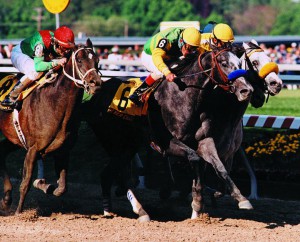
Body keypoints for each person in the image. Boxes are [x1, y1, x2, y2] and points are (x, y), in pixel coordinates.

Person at [1, 26, 75, 108]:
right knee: (35, 73)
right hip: (20, 54)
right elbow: (38, 66)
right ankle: (11, 96)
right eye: (65, 48)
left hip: (35, 56)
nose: (67, 51)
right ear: (57, 44)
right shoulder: (41, 44)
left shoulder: (58, 41)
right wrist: (56, 62)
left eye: (69, 48)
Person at [129, 27, 201, 105]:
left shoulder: (193, 38)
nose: (188, 52)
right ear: (181, 40)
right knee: (161, 72)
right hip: (151, 54)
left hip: (167, 55)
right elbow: (156, 56)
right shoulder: (169, 39)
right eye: (188, 48)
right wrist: (167, 73)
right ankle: (137, 93)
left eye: (193, 48)